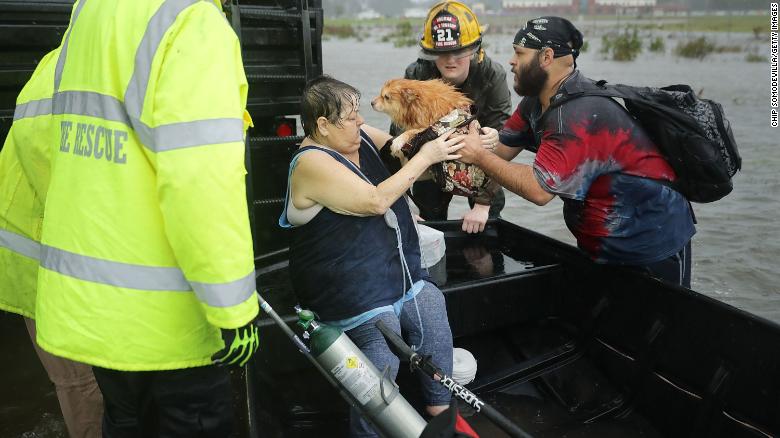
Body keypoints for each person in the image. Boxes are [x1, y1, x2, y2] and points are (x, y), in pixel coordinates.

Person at [32, 0, 260, 435]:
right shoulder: (192, 22)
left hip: (94, 308)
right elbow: (200, 181)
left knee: (124, 421)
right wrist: (233, 307)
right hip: (166, 323)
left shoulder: (91, 12)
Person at [457, 17, 696, 287]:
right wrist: (466, 137)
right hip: (602, 242)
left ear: (546, 57)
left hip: (653, 242)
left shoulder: (576, 114)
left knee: (663, 324)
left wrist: (479, 155)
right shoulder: (536, 101)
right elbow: (500, 151)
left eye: (519, 53)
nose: (511, 61)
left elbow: (539, 190)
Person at [280, 76, 458, 437]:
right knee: (382, 349)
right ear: (323, 126)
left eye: (359, 112)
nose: (361, 122)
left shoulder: (357, 137)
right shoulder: (311, 162)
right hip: (348, 292)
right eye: (351, 117)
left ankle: (440, 411)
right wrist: (425, 156)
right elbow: (375, 201)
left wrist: (463, 142)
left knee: (431, 306)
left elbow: (403, 152)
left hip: (394, 276)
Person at [0, 47, 103, 438]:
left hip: (37, 246)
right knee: (81, 383)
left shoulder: (56, 60)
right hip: (47, 253)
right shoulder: (95, 63)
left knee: (85, 382)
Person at [391, 0, 512, 234]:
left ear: (475, 49)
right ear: (430, 53)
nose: (450, 60)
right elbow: (396, 142)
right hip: (431, 158)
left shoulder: (492, 75)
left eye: (459, 51)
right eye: (441, 53)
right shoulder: (416, 75)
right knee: (428, 221)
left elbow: (506, 145)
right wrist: (402, 202)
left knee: (488, 220)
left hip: (481, 159)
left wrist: (482, 205)